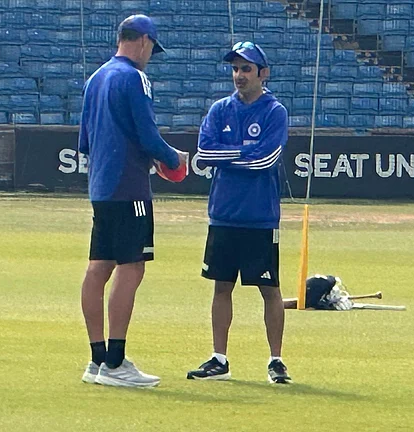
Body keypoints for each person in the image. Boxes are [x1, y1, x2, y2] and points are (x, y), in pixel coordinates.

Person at [78, 14, 187, 388]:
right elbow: (148, 133)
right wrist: (173, 159)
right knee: (132, 267)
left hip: (101, 186)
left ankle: (96, 360)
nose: (151, 56)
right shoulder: (135, 77)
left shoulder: (95, 78)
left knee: (98, 269)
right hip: (129, 187)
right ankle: (116, 360)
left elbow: (85, 142)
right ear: (142, 41)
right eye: (152, 48)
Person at [186, 41, 292, 384]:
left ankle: (276, 361)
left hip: (260, 216)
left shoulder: (275, 112)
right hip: (224, 214)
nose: (239, 75)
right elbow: (202, 154)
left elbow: (266, 160)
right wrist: (242, 152)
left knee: (269, 289)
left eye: (246, 69)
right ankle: (219, 358)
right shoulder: (219, 110)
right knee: (221, 287)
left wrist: (227, 154)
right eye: (235, 69)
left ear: (263, 73)